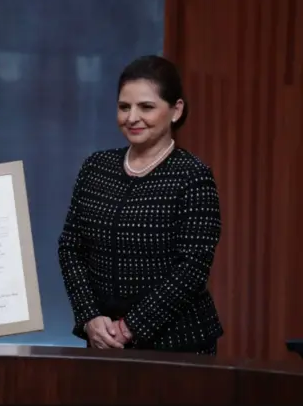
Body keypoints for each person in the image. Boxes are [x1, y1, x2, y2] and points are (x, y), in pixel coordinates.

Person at [58, 55, 223, 355]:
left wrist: (129, 327)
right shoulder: (96, 168)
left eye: (146, 107)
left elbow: (193, 268)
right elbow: (70, 248)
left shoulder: (193, 176)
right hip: (102, 341)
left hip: (179, 347)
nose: (132, 117)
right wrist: (90, 318)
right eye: (124, 107)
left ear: (176, 110)